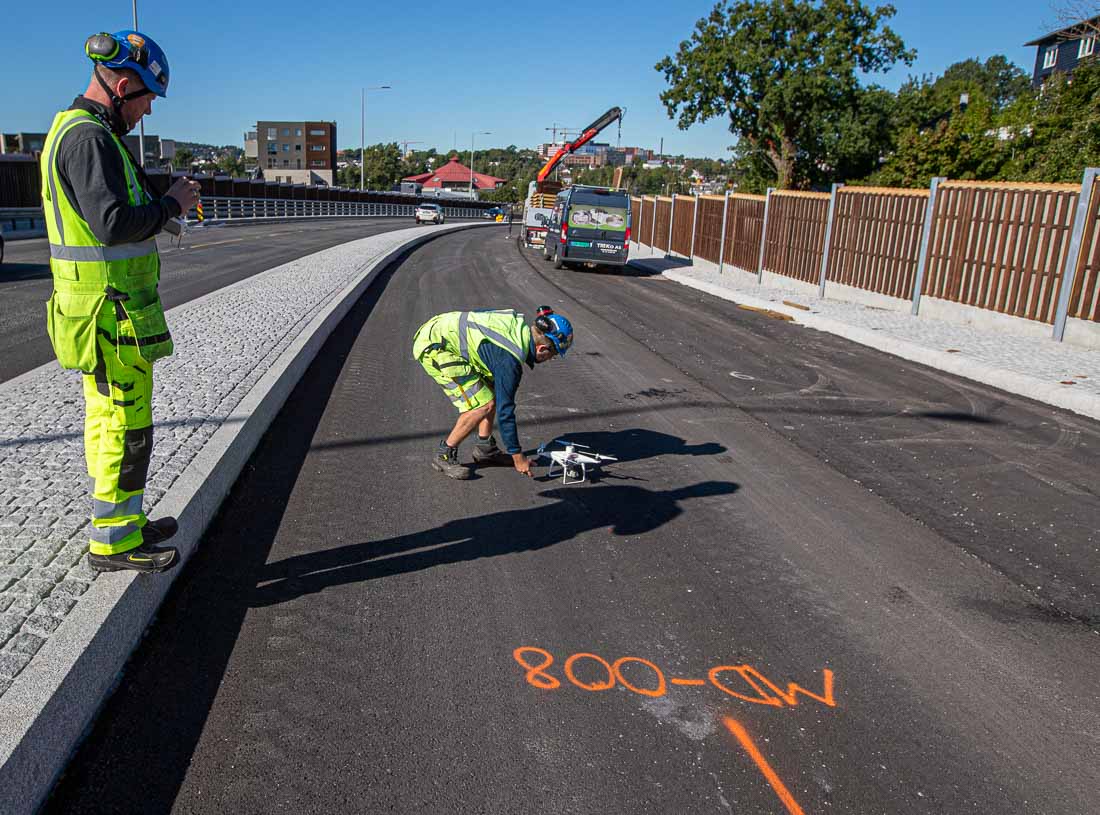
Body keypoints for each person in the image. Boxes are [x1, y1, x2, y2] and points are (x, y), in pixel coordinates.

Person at [40, 30, 201, 573]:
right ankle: (113, 541)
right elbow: (111, 224)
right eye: (147, 99)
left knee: (107, 418)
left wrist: (161, 209)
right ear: (124, 86)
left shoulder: (81, 132)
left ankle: (123, 520)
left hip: (98, 309)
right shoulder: (89, 139)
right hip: (109, 312)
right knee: (126, 426)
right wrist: (170, 205)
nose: (147, 110)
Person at [412, 306, 574, 480]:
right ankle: (444, 454)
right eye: (553, 355)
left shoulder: (517, 326)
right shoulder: (509, 362)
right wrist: (517, 456)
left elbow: (481, 314)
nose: (551, 359)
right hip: (436, 346)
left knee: (492, 390)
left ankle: (485, 448)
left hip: (444, 328)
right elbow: (506, 412)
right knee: (482, 405)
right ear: (541, 349)